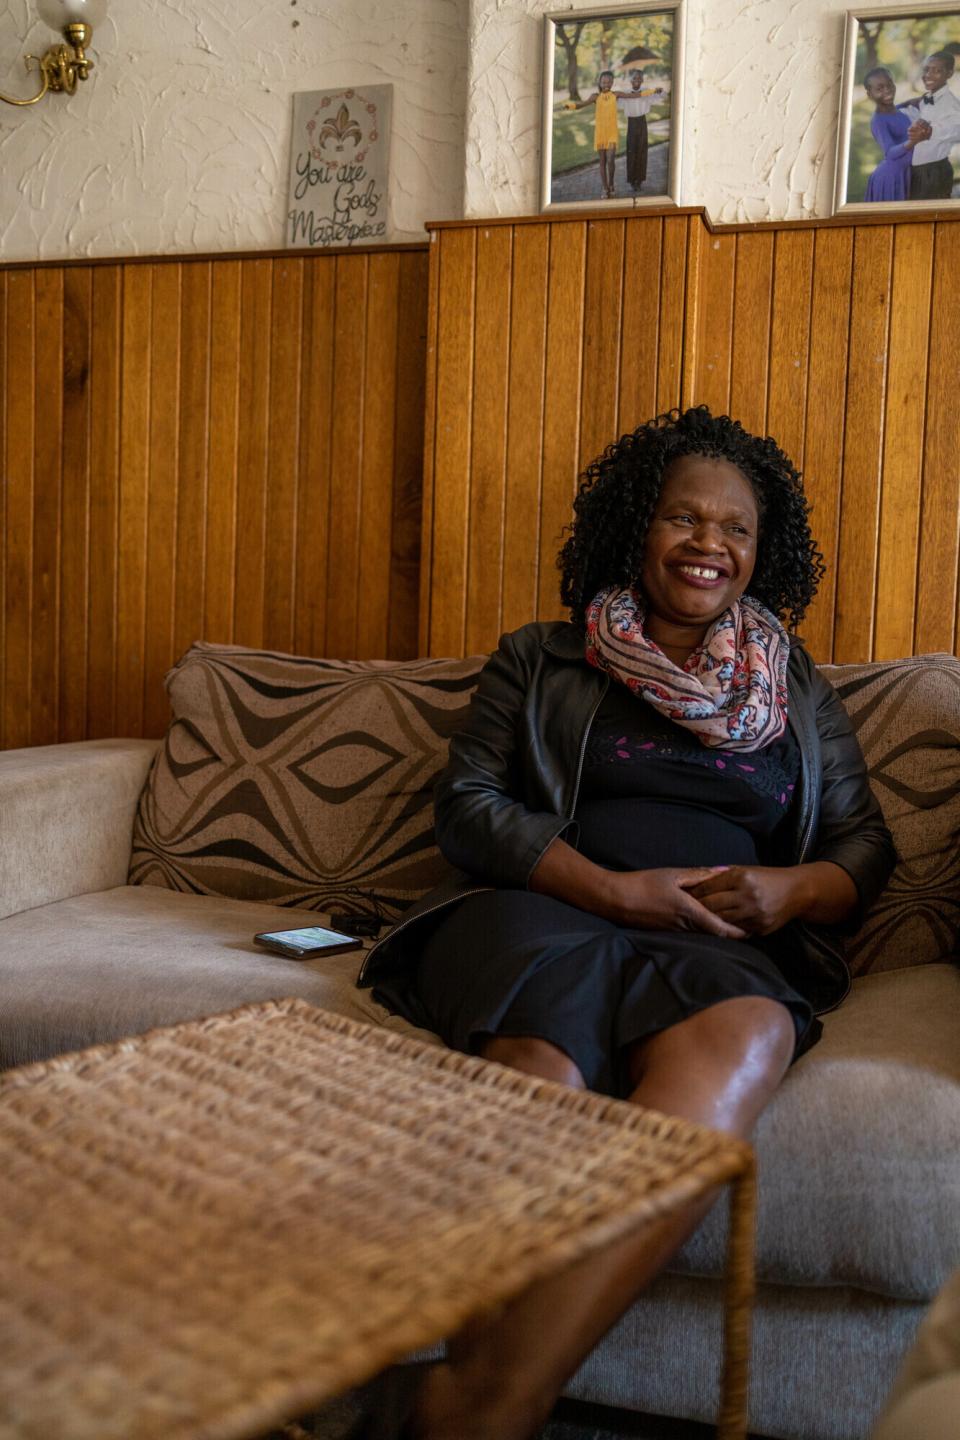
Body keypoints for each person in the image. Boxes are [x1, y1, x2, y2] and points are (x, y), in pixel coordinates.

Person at [357, 406, 896, 1440]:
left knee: (749, 1038)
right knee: (546, 1068)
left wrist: (794, 892)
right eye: (683, 519)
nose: (709, 545)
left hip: (720, 939)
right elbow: (468, 809)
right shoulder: (545, 658)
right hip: (547, 907)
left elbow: (865, 845)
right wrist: (613, 890)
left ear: (760, 550)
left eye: (735, 528)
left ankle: (462, 1402)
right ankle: (496, 1407)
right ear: (633, 532)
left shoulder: (795, 688)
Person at [861, 66, 929, 203]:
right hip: (892, 176)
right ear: (870, 95)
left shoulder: (896, 110)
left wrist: (909, 102)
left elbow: (896, 110)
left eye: (889, 84)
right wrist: (913, 141)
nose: (887, 90)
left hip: (906, 172)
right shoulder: (878, 120)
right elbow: (890, 152)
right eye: (879, 89)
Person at [901, 50, 960, 200]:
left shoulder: (951, 104)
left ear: (949, 73)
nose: (928, 75)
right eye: (926, 69)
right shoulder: (926, 98)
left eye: (937, 71)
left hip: (933, 172)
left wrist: (930, 131)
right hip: (917, 170)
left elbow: (956, 130)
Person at [565, 70, 620, 198]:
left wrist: (650, 92)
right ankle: (605, 188)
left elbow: (633, 96)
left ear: (612, 82)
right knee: (602, 161)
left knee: (611, 160)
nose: (606, 84)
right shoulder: (595, 97)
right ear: (600, 83)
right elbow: (582, 104)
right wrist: (571, 106)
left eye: (609, 82)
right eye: (604, 82)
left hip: (611, 132)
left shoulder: (616, 95)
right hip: (600, 134)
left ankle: (611, 183)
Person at [618, 68, 663, 192]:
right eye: (634, 78)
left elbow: (659, 96)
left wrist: (658, 91)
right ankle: (632, 180)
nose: (636, 80)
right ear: (630, 80)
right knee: (632, 151)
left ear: (642, 80)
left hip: (642, 122)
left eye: (639, 78)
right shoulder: (625, 93)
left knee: (642, 151)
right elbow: (617, 102)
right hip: (631, 123)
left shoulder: (646, 92)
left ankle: (640, 180)